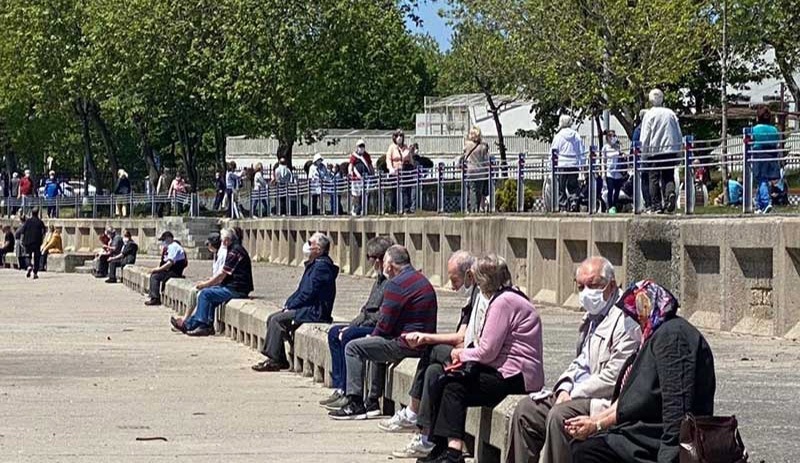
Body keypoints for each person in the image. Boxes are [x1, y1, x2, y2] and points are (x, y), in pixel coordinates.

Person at [506, 257, 640, 463]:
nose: (587, 292)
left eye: (593, 285)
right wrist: (565, 388)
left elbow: (614, 376)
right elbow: (580, 362)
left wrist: (575, 393)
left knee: (560, 417)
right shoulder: (592, 316)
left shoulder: (625, 319)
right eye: (581, 287)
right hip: (578, 392)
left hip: (603, 400)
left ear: (611, 285)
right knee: (527, 410)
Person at [568, 280, 716, 463]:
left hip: (656, 438)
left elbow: (677, 403)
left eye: (634, 311)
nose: (632, 319)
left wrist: (669, 455)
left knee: (589, 452)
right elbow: (633, 399)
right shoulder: (657, 335)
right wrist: (596, 423)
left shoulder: (673, 337)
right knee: (583, 446)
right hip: (642, 431)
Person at [423, 254, 543, 463]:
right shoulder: (509, 297)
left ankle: (453, 451)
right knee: (440, 377)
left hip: (515, 376)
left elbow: (487, 351)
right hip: (502, 369)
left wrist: (461, 353)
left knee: (454, 386)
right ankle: (440, 445)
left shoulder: (503, 303)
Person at [383, 251, 489, 460]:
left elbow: (461, 338)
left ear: (469, 274)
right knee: (433, 371)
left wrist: (427, 337)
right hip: (466, 350)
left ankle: (413, 413)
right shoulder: (473, 294)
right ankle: (427, 438)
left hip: (472, 355)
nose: (452, 286)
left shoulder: (480, 295)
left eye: (454, 279)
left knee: (430, 350)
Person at [329, 245, 438, 420]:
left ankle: (355, 402)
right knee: (372, 344)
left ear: (391, 265)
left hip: (405, 344)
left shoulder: (396, 284)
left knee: (353, 347)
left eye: (385, 263)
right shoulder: (420, 279)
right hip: (421, 341)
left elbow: (385, 324)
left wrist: (372, 336)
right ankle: (372, 401)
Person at [319, 236, 395, 411]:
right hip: (368, 322)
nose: (369, 262)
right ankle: (340, 386)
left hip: (377, 327)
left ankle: (351, 393)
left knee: (349, 337)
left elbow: (380, 315)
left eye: (369, 258)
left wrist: (354, 328)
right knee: (334, 333)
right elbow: (366, 309)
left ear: (379, 259)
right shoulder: (379, 279)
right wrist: (352, 324)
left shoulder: (390, 282)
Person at [252, 232, 339, 372]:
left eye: (310, 243)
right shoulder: (315, 264)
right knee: (272, 317)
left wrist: (292, 306)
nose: (307, 245)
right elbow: (300, 290)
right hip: (307, 307)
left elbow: (308, 293)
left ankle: (275, 360)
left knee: (277, 320)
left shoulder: (322, 267)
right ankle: (278, 358)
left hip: (315, 311)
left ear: (319, 249)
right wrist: (288, 304)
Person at [171, 228, 254, 336]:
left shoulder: (235, 252)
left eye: (223, 240)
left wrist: (205, 285)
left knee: (205, 294)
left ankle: (197, 325)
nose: (222, 242)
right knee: (210, 297)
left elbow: (221, 275)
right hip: (232, 286)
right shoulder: (233, 249)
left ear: (228, 240)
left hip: (237, 289)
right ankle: (202, 326)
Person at [640, 89, 683, 214]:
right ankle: (669, 194)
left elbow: (645, 136)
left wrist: (643, 153)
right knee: (668, 175)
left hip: (654, 151)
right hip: (670, 149)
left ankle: (656, 205)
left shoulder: (649, 115)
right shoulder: (671, 113)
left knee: (653, 177)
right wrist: (679, 151)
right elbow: (678, 133)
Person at [551, 115, 585, 212]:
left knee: (561, 187)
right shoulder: (576, 135)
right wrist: (582, 163)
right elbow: (581, 150)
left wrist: (551, 165)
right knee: (573, 185)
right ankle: (573, 201)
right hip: (573, 164)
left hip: (562, 164)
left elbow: (553, 151)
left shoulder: (558, 136)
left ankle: (563, 205)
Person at [145, 231, 188, 306]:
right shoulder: (171, 247)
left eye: (164, 240)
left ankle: (155, 298)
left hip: (174, 271)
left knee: (155, 276)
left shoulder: (173, 247)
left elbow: (169, 263)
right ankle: (153, 296)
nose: (163, 242)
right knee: (155, 274)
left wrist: (157, 270)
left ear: (169, 238)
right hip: (172, 270)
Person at [751, 105, 781, 214]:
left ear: (758, 117)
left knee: (762, 180)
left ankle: (766, 202)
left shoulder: (754, 129)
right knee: (763, 181)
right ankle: (758, 206)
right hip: (772, 157)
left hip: (759, 156)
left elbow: (750, 142)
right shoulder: (774, 129)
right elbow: (777, 142)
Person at [387, 130, 417, 214]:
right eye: (397, 136)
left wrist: (413, 167)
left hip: (405, 170)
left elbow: (410, 159)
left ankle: (406, 208)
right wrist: (390, 168)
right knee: (394, 190)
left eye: (401, 136)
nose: (399, 138)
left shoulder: (405, 147)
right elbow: (388, 159)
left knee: (406, 189)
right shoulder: (392, 147)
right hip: (395, 171)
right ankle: (393, 208)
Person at [462, 127, 490, 213]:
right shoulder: (483, 147)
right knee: (479, 191)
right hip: (481, 171)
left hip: (471, 170)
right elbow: (486, 160)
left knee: (473, 190)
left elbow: (464, 154)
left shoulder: (467, 145)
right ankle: (477, 208)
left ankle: (473, 210)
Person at [631, 109, 652, 210]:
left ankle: (648, 203)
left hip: (643, 159)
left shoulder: (638, 130)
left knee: (645, 182)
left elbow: (633, 146)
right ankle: (651, 203)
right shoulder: (651, 128)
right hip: (650, 158)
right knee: (651, 180)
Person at [601, 130, 625, 214]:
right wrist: (603, 172)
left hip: (618, 173)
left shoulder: (618, 146)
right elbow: (603, 160)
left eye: (614, 136)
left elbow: (622, 156)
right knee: (610, 190)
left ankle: (614, 206)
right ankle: (610, 207)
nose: (613, 138)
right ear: (608, 137)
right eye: (611, 136)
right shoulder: (605, 148)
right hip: (609, 172)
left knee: (617, 191)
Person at [19, 208, 47, 279]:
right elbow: (44, 232)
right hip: (37, 242)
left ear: (31, 213)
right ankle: (35, 273)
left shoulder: (28, 221)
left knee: (28, 255)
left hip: (28, 241)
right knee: (36, 257)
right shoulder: (40, 222)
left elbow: (22, 231)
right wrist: (42, 239)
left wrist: (22, 240)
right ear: (38, 213)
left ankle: (28, 266)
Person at [349, 140, 374, 216]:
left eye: (363, 146)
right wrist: (350, 172)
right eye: (360, 146)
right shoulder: (354, 156)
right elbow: (351, 165)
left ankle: (364, 209)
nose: (361, 148)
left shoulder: (366, 155)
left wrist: (372, 174)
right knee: (356, 195)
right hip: (356, 179)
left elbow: (370, 165)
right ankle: (355, 208)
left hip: (366, 178)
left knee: (365, 194)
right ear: (357, 147)